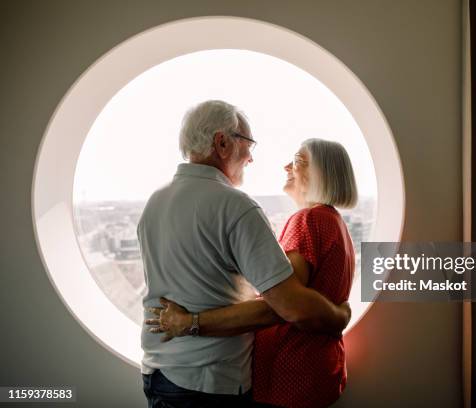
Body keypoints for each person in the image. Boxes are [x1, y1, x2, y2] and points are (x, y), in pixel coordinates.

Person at [139, 100, 351, 408]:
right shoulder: (235, 206)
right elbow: (289, 306)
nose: (251, 157)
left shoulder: (154, 202)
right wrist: (341, 314)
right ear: (222, 143)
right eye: (248, 144)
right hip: (208, 379)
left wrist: (188, 321)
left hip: (159, 370)